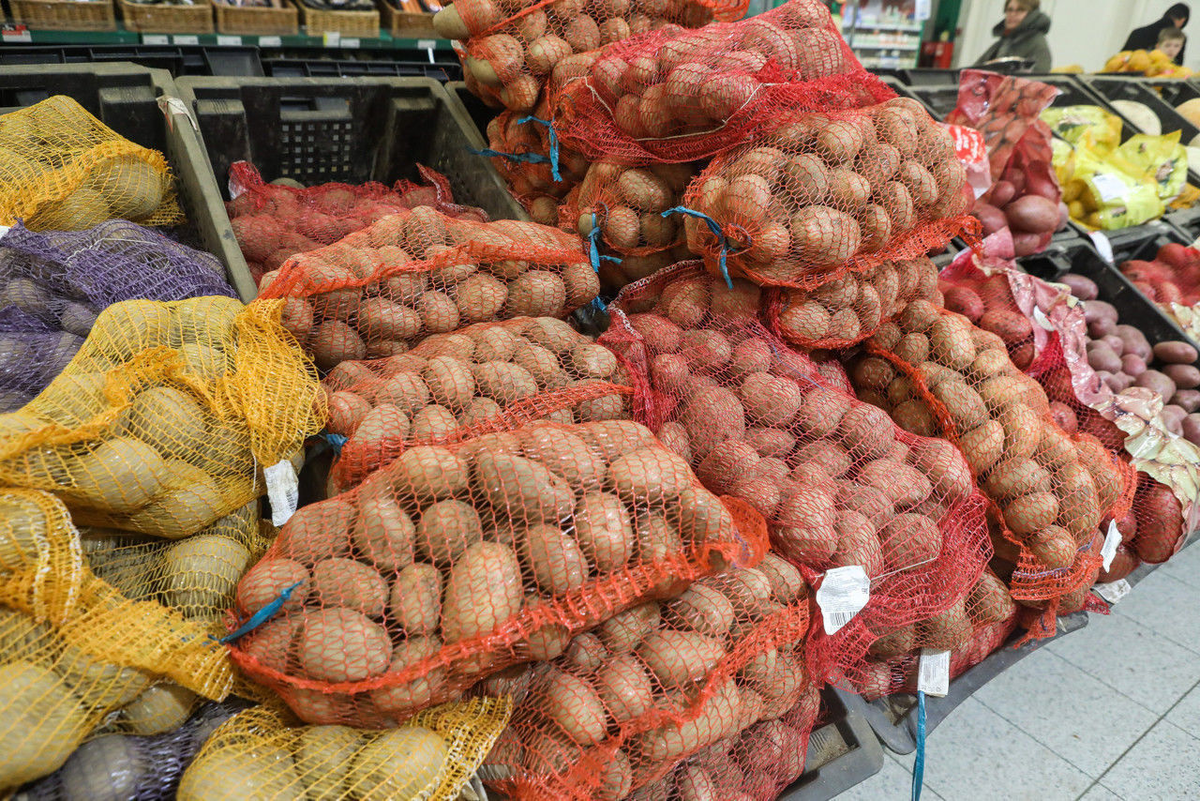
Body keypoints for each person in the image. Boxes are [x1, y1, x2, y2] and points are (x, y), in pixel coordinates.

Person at [975, 0, 1052, 73]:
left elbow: (1038, 80)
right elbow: (973, 71)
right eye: (1009, 10)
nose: (1012, 14)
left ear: (1032, 15)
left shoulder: (1037, 44)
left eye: (1020, 10)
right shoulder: (1002, 43)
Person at [1124, 3, 1189, 65]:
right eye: (1168, 45)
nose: (1172, 49)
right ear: (1183, 20)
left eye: (1176, 46)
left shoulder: (1137, 32)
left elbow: (1121, 58)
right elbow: (1178, 65)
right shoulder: (1178, 38)